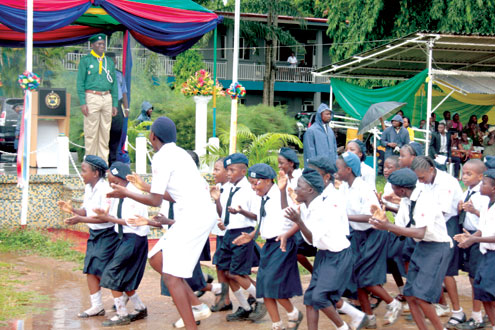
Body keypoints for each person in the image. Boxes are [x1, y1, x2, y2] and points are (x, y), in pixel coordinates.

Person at [107, 116, 216, 330]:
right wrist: (145, 187)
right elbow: (172, 194)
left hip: (194, 216)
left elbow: (156, 201)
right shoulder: (180, 154)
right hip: (198, 213)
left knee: (170, 275)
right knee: (157, 258)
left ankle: (192, 321)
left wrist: (127, 192)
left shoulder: (160, 157)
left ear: (153, 136)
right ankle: (196, 306)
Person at [369, 168, 453, 330]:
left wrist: (387, 225)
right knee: (410, 296)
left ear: (401, 189)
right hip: (422, 247)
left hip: (437, 248)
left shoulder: (424, 200)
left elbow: (420, 232)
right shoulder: (407, 201)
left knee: (421, 297)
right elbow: (401, 228)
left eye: (393, 188)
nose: (392, 191)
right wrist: (382, 222)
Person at [285, 168, 365, 330]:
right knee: (310, 298)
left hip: (338, 256)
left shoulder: (323, 209)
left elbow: (312, 238)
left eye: (298, 186)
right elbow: (310, 240)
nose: (295, 190)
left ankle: (343, 327)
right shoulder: (308, 206)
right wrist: (298, 220)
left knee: (320, 297)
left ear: (309, 190)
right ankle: (354, 316)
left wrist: (299, 222)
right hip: (324, 254)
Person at [233, 163, 303, 330]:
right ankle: (277, 324)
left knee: (272, 284)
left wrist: (287, 235)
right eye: (250, 182)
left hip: (283, 244)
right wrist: (252, 235)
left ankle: (293, 312)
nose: (252, 186)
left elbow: (300, 219)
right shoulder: (260, 198)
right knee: (263, 286)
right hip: (269, 245)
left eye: (255, 182)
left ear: (267, 181)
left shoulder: (283, 193)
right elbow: (262, 220)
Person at [337, 152, 402, 327]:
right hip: (358, 235)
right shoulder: (345, 187)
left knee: (366, 278)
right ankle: (369, 317)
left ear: (348, 170)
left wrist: (345, 216)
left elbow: (370, 217)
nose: (336, 172)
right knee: (357, 277)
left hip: (374, 233)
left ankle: (393, 303)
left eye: (339, 168)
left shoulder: (363, 188)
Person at [57, 155, 118, 319]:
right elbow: (85, 211)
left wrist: (79, 219)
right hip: (94, 233)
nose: (81, 174)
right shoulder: (89, 188)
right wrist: (72, 210)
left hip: (108, 233)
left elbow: (102, 217)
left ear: (96, 173)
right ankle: (97, 306)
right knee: (90, 269)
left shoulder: (105, 190)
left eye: (84, 171)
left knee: (105, 271)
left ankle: (123, 304)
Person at [92, 162, 149, 326]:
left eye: (115, 182)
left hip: (133, 238)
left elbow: (131, 222)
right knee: (124, 275)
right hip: (123, 238)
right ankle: (139, 307)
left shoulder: (134, 194)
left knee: (112, 273)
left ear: (124, 180)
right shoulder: (119, 194)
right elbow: (114, 214)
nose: (112, 185)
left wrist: (107, 218)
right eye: (110, 182)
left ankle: (122, 313)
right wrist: (105, 213)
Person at [410, 156, 465, 328]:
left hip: (447, 223)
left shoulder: (446, 182)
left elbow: (442, 210)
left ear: (431, 170)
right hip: (429, 224)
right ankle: (437, 305)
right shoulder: (424, 180)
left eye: (422, 178)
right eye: (418, 178)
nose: (420, 181)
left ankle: (458, 311)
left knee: (446, 271)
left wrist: (421, 224)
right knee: (433, 269)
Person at [220, 153, 267, 322]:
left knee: (237, 273)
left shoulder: (250, 190)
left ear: (243, 171)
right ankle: (245, 307)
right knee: (226, 272)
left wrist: (240, 211)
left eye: (232, 170)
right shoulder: (230, 188)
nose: (228, 173)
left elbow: (257, 216)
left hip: (243, 233)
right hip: (229, 233)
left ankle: (261, 300)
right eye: (227, 170)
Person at [455, 168, 495, 330]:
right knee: (481, 291)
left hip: (493, 254)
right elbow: (483, 228)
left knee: (490, 291)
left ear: (493, 188)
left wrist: (475, 239)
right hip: (486, 253)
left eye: (484, 183)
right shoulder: (487, 204)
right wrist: (470, 238)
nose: (480, 186)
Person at [77, 33, 118, 161]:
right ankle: (90, 161)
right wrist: (83, 102)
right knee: (91, 131)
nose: (102, 46)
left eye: (103, 44)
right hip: (92, 96)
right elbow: (80, 83)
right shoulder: (86, 61)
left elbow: (114, 84)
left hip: (106, 97)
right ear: (92, 45)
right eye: (99, 44)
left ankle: (102, 162)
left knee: (105, 131)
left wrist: (114, 103)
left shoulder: (109, 62)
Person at [209, 157, 234, 312]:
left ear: (227, 172)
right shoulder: (218, 186)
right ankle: (224, 299)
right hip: (219, 233)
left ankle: (255, 294)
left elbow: (225, 212)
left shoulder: (233, 188)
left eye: (217, 169)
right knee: (219, 266)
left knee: (232, 270)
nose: (214, 173)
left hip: (230, 233)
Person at [105, 52, 129, 166]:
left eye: (114, 60)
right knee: (105, 132)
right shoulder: (101, 74)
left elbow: (124, 92)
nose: (114, 62)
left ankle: (113, 159)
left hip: (118, 105)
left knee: (116, 131)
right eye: (111, 60)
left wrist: (126, 108)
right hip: (105, 104)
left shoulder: (119, 74)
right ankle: (105, 160)